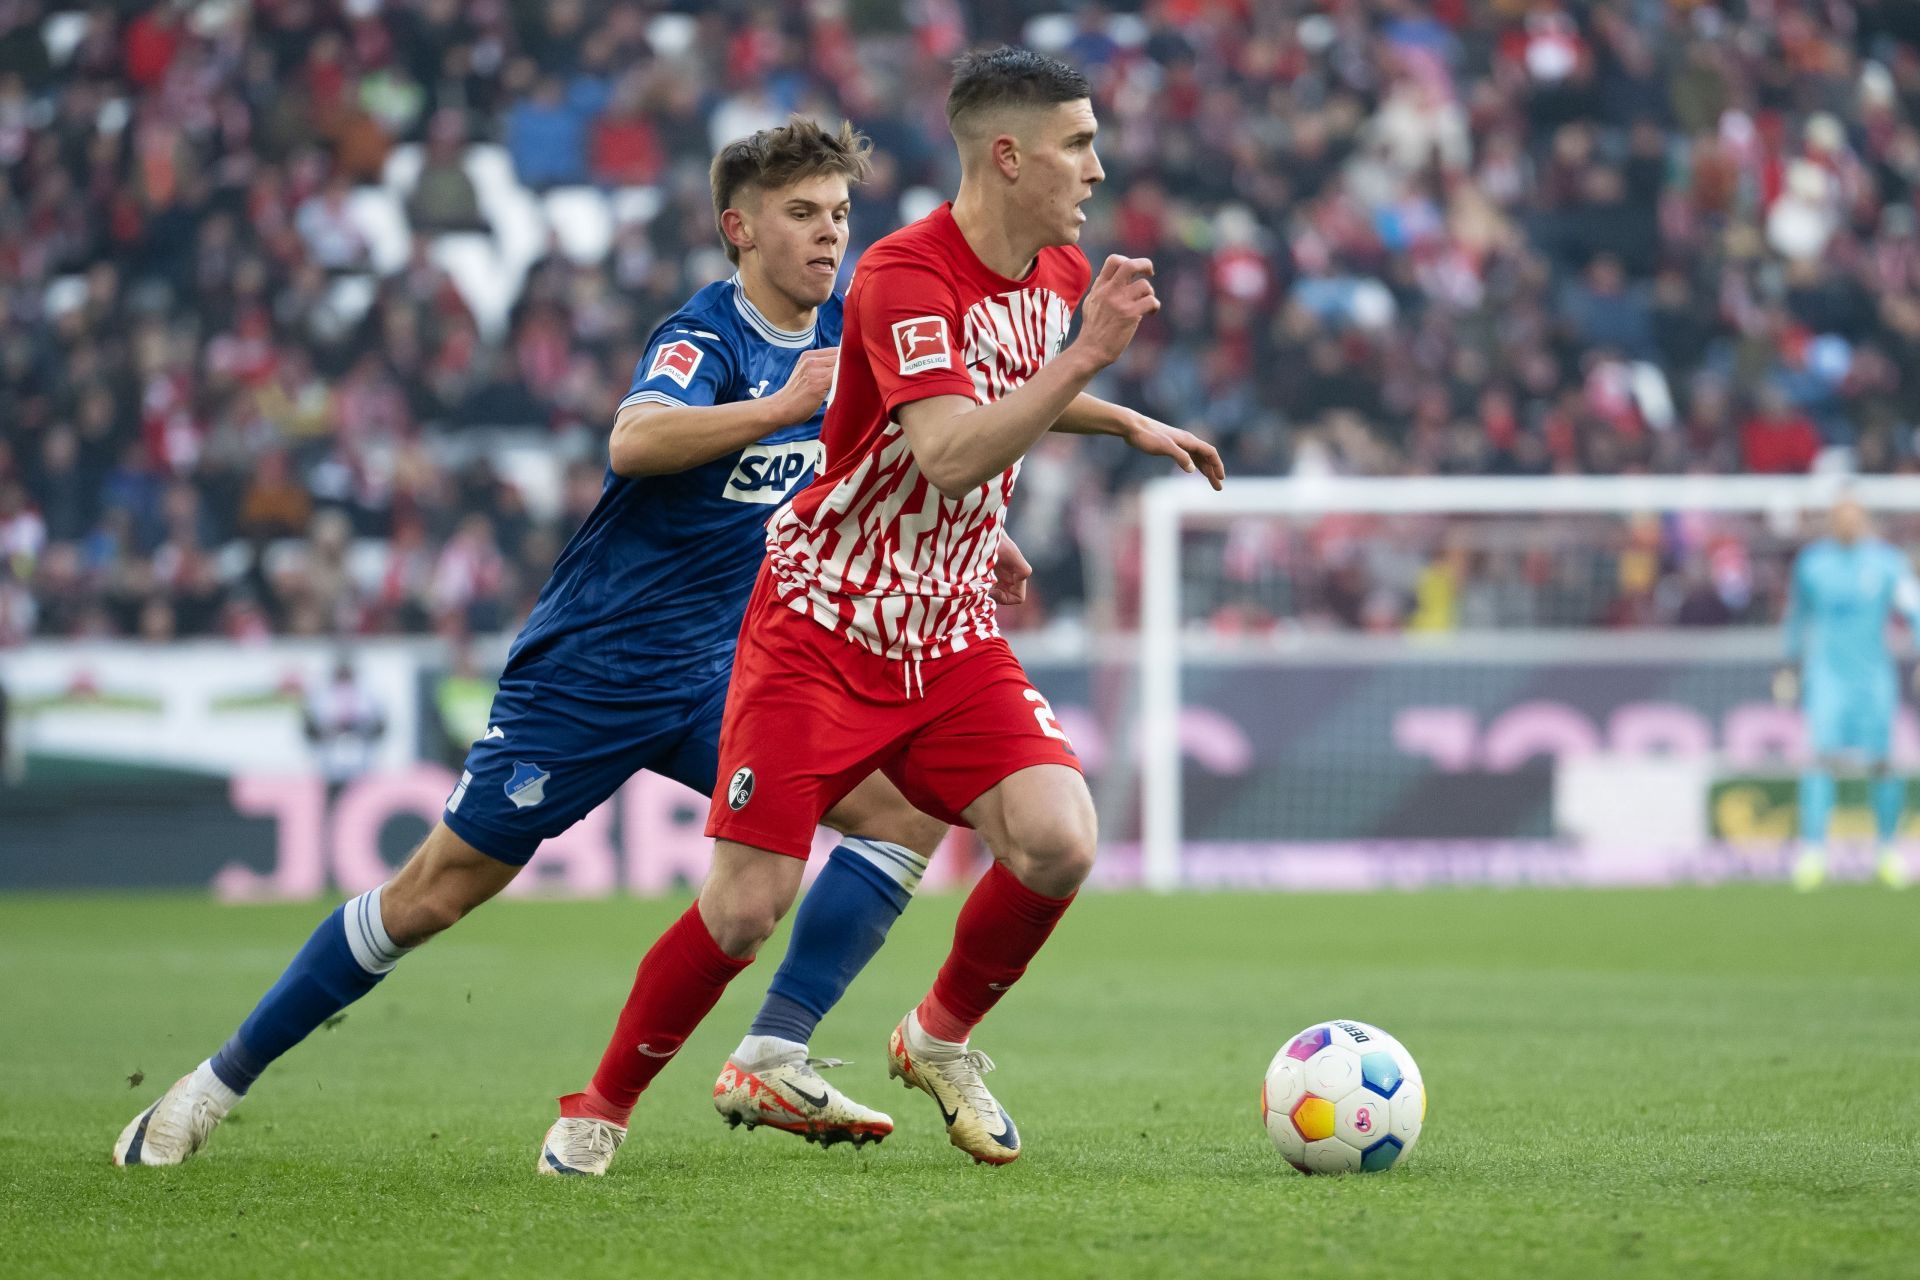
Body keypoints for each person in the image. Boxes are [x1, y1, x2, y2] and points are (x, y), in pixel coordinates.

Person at [114, 118, 960, 1169]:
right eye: (801, 215)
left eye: (839, 214)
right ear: (739, 229)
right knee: (435, 892)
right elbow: (634, 438)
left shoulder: (850, 327)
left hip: (728, 675)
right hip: (593, 668)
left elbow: (943, 421)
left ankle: (776, 1046)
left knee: (907, 812)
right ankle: (211, 1084)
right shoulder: (706, 336)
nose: (829, 236)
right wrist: (775, 408)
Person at [543, 46, 1225, 1172]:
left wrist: (1121, 417)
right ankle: (601, 1103)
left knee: (1059, 840)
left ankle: (937, 1036)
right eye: (1078, 144)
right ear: (1008, 155)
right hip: (821, 624)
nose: (1097, 168)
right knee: (746, 905)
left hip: (947, 628)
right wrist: (1093, 356)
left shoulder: (1057, 269)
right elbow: (952, 450)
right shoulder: (902, 275)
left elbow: (997, 386)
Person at [1775, 496, 1920, 890]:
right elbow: (1797, 617)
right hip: (1827, 675)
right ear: (1831, 522)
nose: (1848, 524)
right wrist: (1789, 663)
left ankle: (1887, 850)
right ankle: (1814, 852)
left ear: (1865, 521)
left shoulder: (1887, 562)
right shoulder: (1812, 563)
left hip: (1874, 675)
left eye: (1855, 517)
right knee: (1820, 759)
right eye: (1841, 518)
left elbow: (1914, 610)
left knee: (1883, 762)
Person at [302, 653, 387, 794]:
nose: (343, 676)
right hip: (329, 766)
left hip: (363, 764)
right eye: (341, 671)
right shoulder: (321, 696)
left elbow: (379, 727)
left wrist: (358, 730)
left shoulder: (367, 696)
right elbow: (310, 729)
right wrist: (329, 731)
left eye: (346, 671)